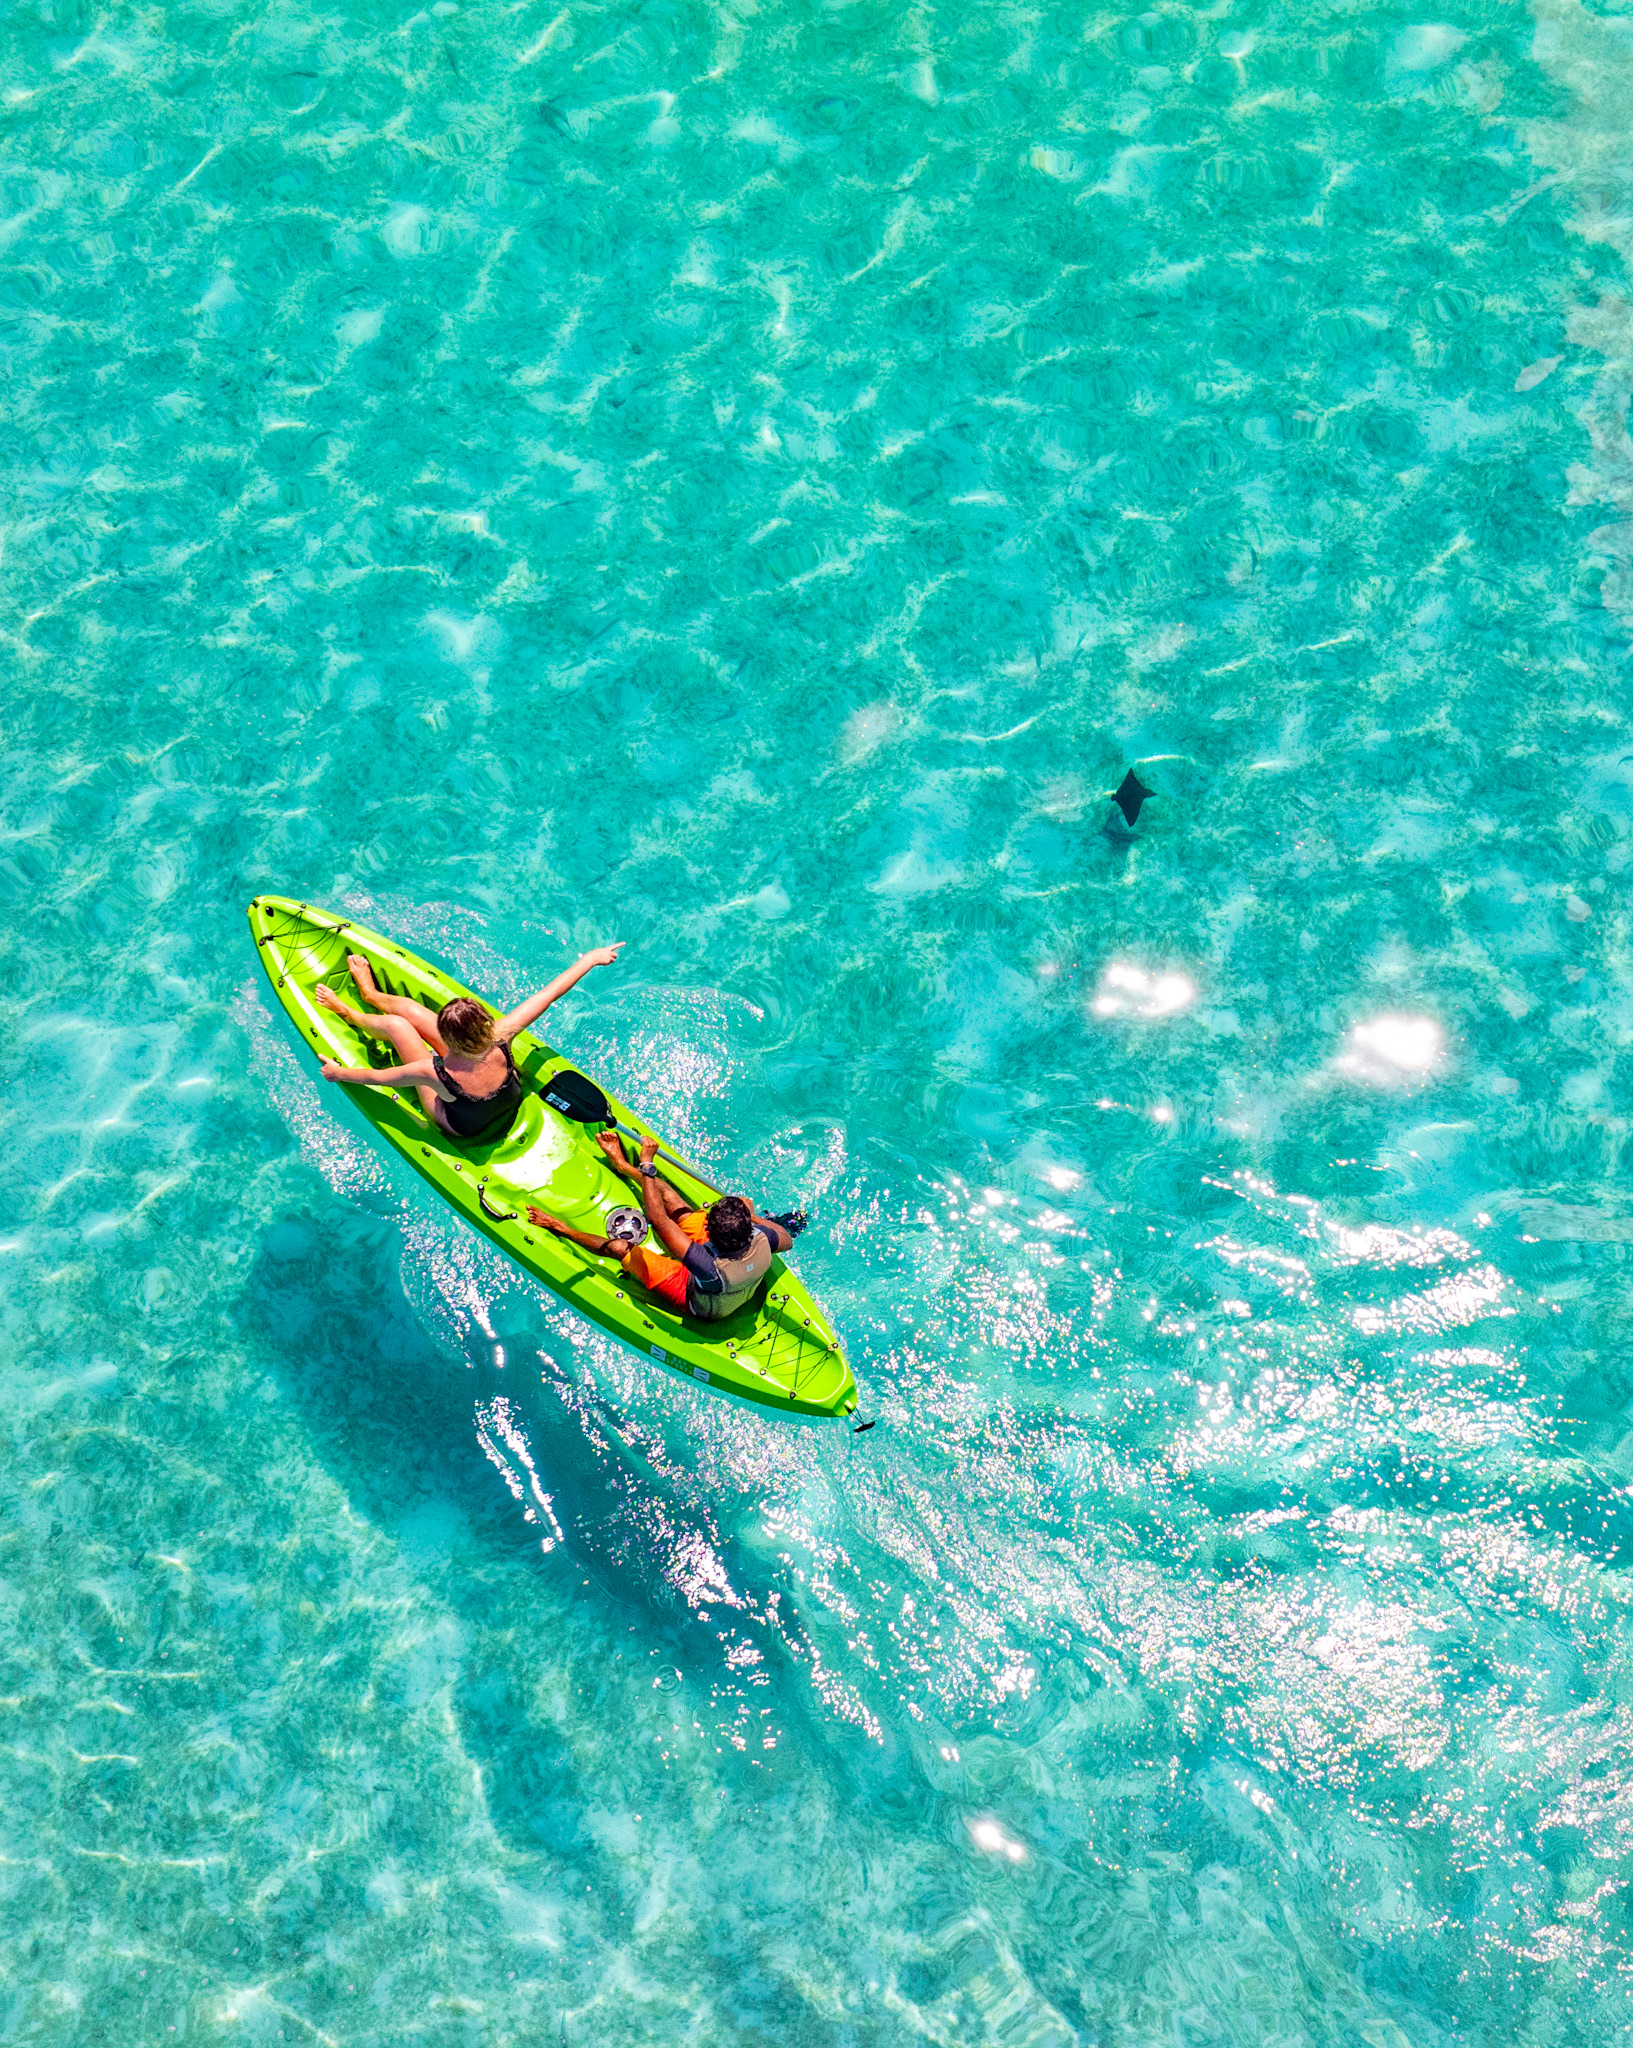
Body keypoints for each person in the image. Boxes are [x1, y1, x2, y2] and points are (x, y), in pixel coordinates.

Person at [312, 943, 624, 1143]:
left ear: (446, 1040)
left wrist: (337, 1073)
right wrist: (591, 960)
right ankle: (371, 995)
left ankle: (349, 1012)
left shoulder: (432, 1072)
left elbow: (377, 1078)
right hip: (502, 1099)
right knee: (410, 1010)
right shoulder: (502, 1033)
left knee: (399, 1026)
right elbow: (550, 993)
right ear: (485, 1023)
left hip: (461, 1124)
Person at [528, 1132, 801, 1321]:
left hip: (697, 1297)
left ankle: (561, 1228)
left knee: (621, 1247)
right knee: (672, 1199)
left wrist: (648, 1165)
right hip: (731, 1259)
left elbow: (659, 1221)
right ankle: (622, 1166)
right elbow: (785, 1236)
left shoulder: (707, 1265)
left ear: (712, 1233)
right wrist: (748, 1215)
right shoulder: (761, 1238)